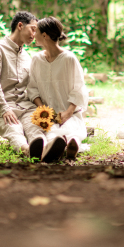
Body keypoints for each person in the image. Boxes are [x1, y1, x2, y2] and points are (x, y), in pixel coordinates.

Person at [26, 16, 89, 162]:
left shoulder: (69, 59)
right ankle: (61, 146)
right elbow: (32, 88)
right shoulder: (36, 59)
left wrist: (68, 112)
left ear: (44, 35)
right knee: (51, 132)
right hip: (47, 115)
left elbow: (79, 89)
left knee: (72, 127)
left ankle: (72, 144)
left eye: (36, 31)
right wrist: (43, 110)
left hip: (69, 113)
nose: (33, 35)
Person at [0, 11, 44, 155]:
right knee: (14, 129)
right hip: (0, 108)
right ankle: (28, 151)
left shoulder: (27, 57)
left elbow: (31, 87)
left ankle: (46, 150)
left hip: (24, 106)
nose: (34, 35)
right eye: (33, 29)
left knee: (35, 127)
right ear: (20, 26)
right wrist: (4, 109)